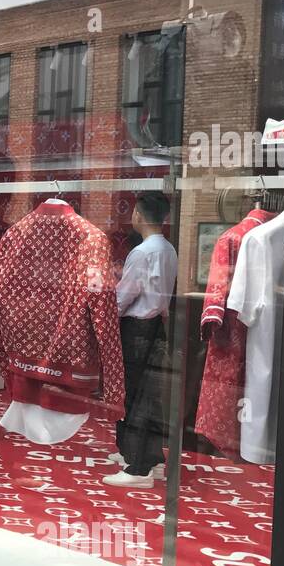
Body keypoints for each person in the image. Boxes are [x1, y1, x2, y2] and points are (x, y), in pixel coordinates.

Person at [105, 192, 178, 489]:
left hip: (136, 327)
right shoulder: (168, 249)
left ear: (138, 214)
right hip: (156, 326)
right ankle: (151, 457)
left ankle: (138, 466)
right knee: (149, 394)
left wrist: (106, 314)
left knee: (134, 394)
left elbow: (125, 296)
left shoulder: (143, 252)